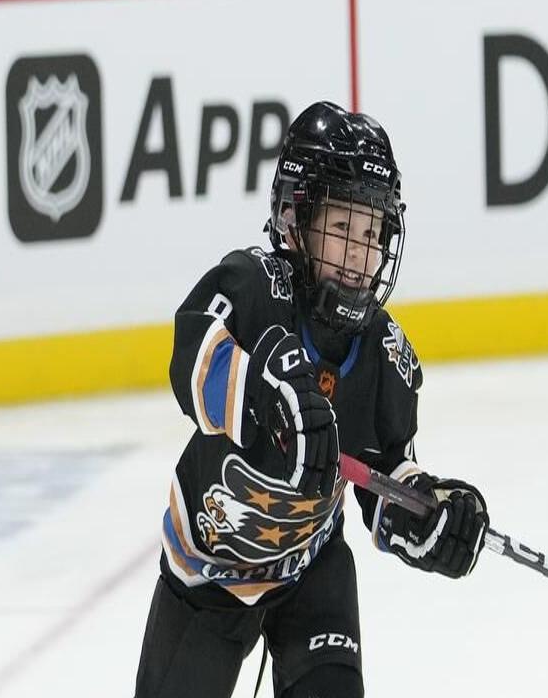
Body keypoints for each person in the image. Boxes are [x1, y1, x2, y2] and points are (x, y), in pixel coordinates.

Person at [133, 101, 489, 698]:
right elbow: (190, 357)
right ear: (295, 220)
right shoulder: (252, 289)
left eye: (372, 232)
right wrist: (267, 398)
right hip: (209, 572)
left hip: (311, 570)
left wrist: (426, 513)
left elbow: (382, 476)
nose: (358, 253)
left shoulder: (383, 352)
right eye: (343, 227)